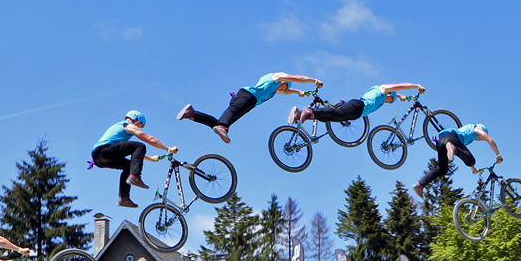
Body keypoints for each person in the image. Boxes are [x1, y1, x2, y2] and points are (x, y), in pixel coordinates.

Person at [178, 72, 322, 143]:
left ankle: (192, 114)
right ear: (283, 83)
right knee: (226, 121)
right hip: (247, 96)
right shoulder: (277, 77)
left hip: (247, 101)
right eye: (283, 87)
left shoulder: (274, 89)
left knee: (218, 123)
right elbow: (296, 78)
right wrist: (313, 80)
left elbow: (287, 91)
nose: (281, 90)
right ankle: (223, 126)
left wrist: (299, 92)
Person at [92, 110, 178, 207]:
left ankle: (124, 198)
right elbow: (150, 139)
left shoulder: (120, 134)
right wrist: (168, 149)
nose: (138, 129)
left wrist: (150, 158)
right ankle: (135, 177)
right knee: (140, 145)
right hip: (104, 151)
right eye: (139, 125)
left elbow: (132, 152)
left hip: (98, 158)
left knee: (128, 166)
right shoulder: (128, 125)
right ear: (135, 119)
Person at [413, 123, 501, 196]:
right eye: (481, 139)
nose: (479, 140)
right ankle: (452, 147)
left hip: (440, 142)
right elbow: (490, 141)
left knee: (442, 169)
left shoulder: (465, 135)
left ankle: (420, 184)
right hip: (452, 139)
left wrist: (472, 168)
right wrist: (498, 155)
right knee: (472, 160)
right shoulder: (476, 129)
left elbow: (465, 156)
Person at [295, 82, 424, 128]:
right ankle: (311, 112)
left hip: (357, 112)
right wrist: (416, 86)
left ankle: (302, 115)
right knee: (337, 114)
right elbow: (401, 86)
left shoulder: (383, 98)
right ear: (389, 94)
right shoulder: (382, 89)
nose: (388, 101)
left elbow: (398, 95)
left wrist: (404, 97)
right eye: (389, 99)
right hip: (358, 106)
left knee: (332, 118)